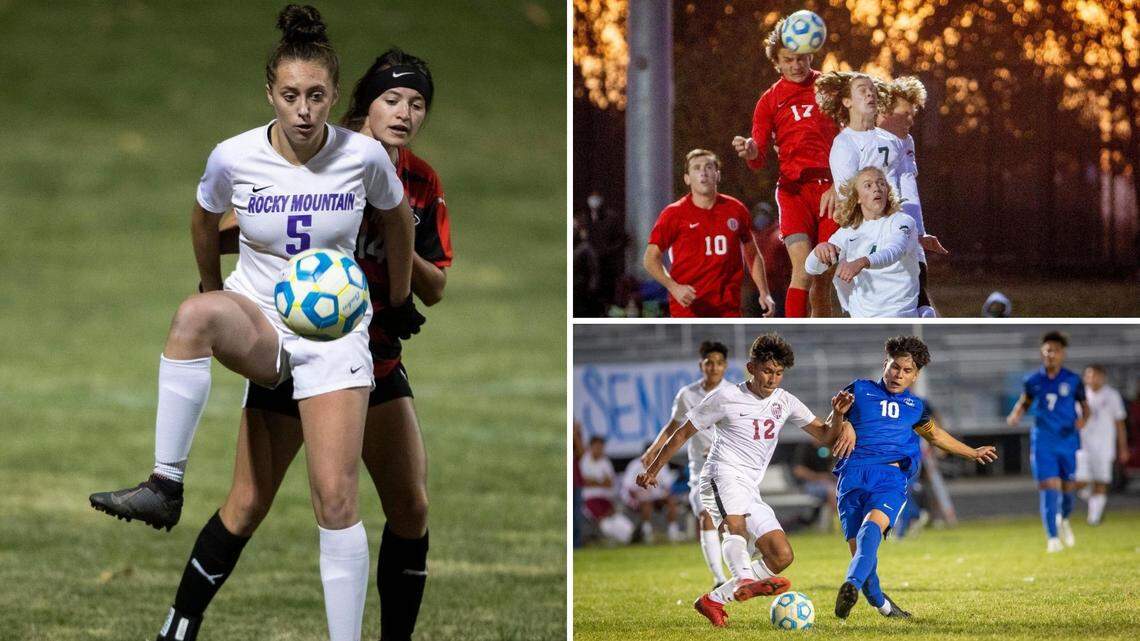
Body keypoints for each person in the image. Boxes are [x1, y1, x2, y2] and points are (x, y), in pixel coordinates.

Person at [89, 7, 422, 640]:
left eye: (316, 95)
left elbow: (399, 220)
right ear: (270, 93)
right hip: (261, 321)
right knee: (193, 317)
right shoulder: (234, 155)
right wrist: (214, 290)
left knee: (335, 500)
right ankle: (165, 484)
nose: (304, 110)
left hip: (333, 337)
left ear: (333, 95)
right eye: (291, 95)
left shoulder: (363, 156)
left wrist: (400, 299)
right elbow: (202, 218)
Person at [637, 333, 856, 628]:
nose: (772, 379)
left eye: (778, 373)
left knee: (781, 555)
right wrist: (653, 470)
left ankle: (713, 600)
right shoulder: (725, 397)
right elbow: (682, 433)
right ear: (752, 368)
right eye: (767, 371)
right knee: (735, 525)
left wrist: (838, 415)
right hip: (720, 474)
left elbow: (827, 436)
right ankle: (743, 579)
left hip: (750, 486)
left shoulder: (785, 401)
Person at [832, 336, 998, 620]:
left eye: (907, 370)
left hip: (890, 477)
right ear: (885, 364)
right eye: (895, 367)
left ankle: (851, 584)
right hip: (852, 474)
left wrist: (971, 452)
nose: (898, 374)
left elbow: (935, 435)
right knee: (863, 557)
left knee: (871, 529)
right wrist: (842, 420)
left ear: (916, 375)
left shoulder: (915, 406)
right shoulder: (858, 389)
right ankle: (884, 606)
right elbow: (830, 428)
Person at [732, 17, 841, 317]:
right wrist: (751, 150)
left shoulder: (829, 88)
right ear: (777, 62)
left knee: (822, 278)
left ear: (811, 54)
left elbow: (851, 136)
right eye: (788, 60)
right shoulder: (769, 101)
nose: (795, 65)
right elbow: (758, 157)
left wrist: (841, 183)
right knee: (803, 268)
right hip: (793, 192)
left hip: (831, 192)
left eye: (801, 58)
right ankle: (794, 334)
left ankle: (820, 332)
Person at [641, 340, 736, 586]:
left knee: (734, 523)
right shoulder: (688, 394)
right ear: (701, 365)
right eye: (709, 363)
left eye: (719, 363)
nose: (714, 368)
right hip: (700, 469)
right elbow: (673, 427)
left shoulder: (734, 394)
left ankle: (746, 573)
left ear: (725, 366)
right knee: (705, 516)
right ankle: (719, 578)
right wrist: (653, 449)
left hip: (730, 469)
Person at [644, 149, 774, 318]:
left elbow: (753, 254)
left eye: (709, 167)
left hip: (728, 309)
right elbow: (650, 259)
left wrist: (764, 292)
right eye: (696, 168)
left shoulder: (736, 209)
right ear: (687, 178)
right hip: (689, 310)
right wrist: (674, 287)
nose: (703, 172)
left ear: (717, 175)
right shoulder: (673, 214)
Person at [1006, 331, 1090, 552]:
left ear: (1063, 354)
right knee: (1048, 486)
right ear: (1042, 353)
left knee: (1068, 490)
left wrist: (1083, 421)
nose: (1051, 354)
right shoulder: (1033, 380)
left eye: (1055, 350)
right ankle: (1052, 538)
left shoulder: (1073, 380)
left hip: (1068, 441)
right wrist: (1016, 414)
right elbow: (1025, 402)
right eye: (1048, 350)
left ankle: (1063, 519)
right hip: (1043, 440)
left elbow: (1085, 406)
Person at [805, 167, 921, 317]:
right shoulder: (847, 233)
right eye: (868, 185)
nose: (877, 188)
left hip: (898, 316)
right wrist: (819, 251)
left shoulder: (902, 221)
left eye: (881, 183)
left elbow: (894, 251)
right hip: (860, 319)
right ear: (858, 197)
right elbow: (812, 269)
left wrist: (862, 262)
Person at [877, 76, 943, 317]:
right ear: (885, 111)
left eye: (913, 114)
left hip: (899, 227)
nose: (911, 120)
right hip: (874, 230)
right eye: (905, 114)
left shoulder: (906, 141)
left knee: (916, 287)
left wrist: (920, 232)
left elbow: (909, 188)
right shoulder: (863, 138)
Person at [1073, 365, 1129, 525]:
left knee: (1100, 481)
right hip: (1082, 446)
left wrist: (1123, 447)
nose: (1093, 379)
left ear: (1103, 377)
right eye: (1089, 375)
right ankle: (1090, 500)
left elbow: (1119, 423)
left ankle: (1094, 518)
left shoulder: (1112, 396)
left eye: (1096, 375)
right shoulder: (1079, 395)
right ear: (1085, 378)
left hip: (1104, 446)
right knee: (1080, 481)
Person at [621, 456, 681, 543]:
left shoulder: (661, 463)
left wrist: (665, 494)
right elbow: (629, 487)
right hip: (638, 499)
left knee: (671, 501)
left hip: (656, 497)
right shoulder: (635, 465)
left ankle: (673, 532)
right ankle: (647, 533)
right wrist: (642, 495)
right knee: (646, 503)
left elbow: (668, 485)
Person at [580, 436, 617, 522]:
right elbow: (585, 482)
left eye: (601, 447)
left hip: (606, 497)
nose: (599, 450)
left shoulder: (606, 462)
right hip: (589, 497)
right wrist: (601, 481)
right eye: (597, 447)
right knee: (602, 518)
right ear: (590, 447)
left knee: (613, 517)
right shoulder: (584, 460)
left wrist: (594, 481)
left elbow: (609, 483)